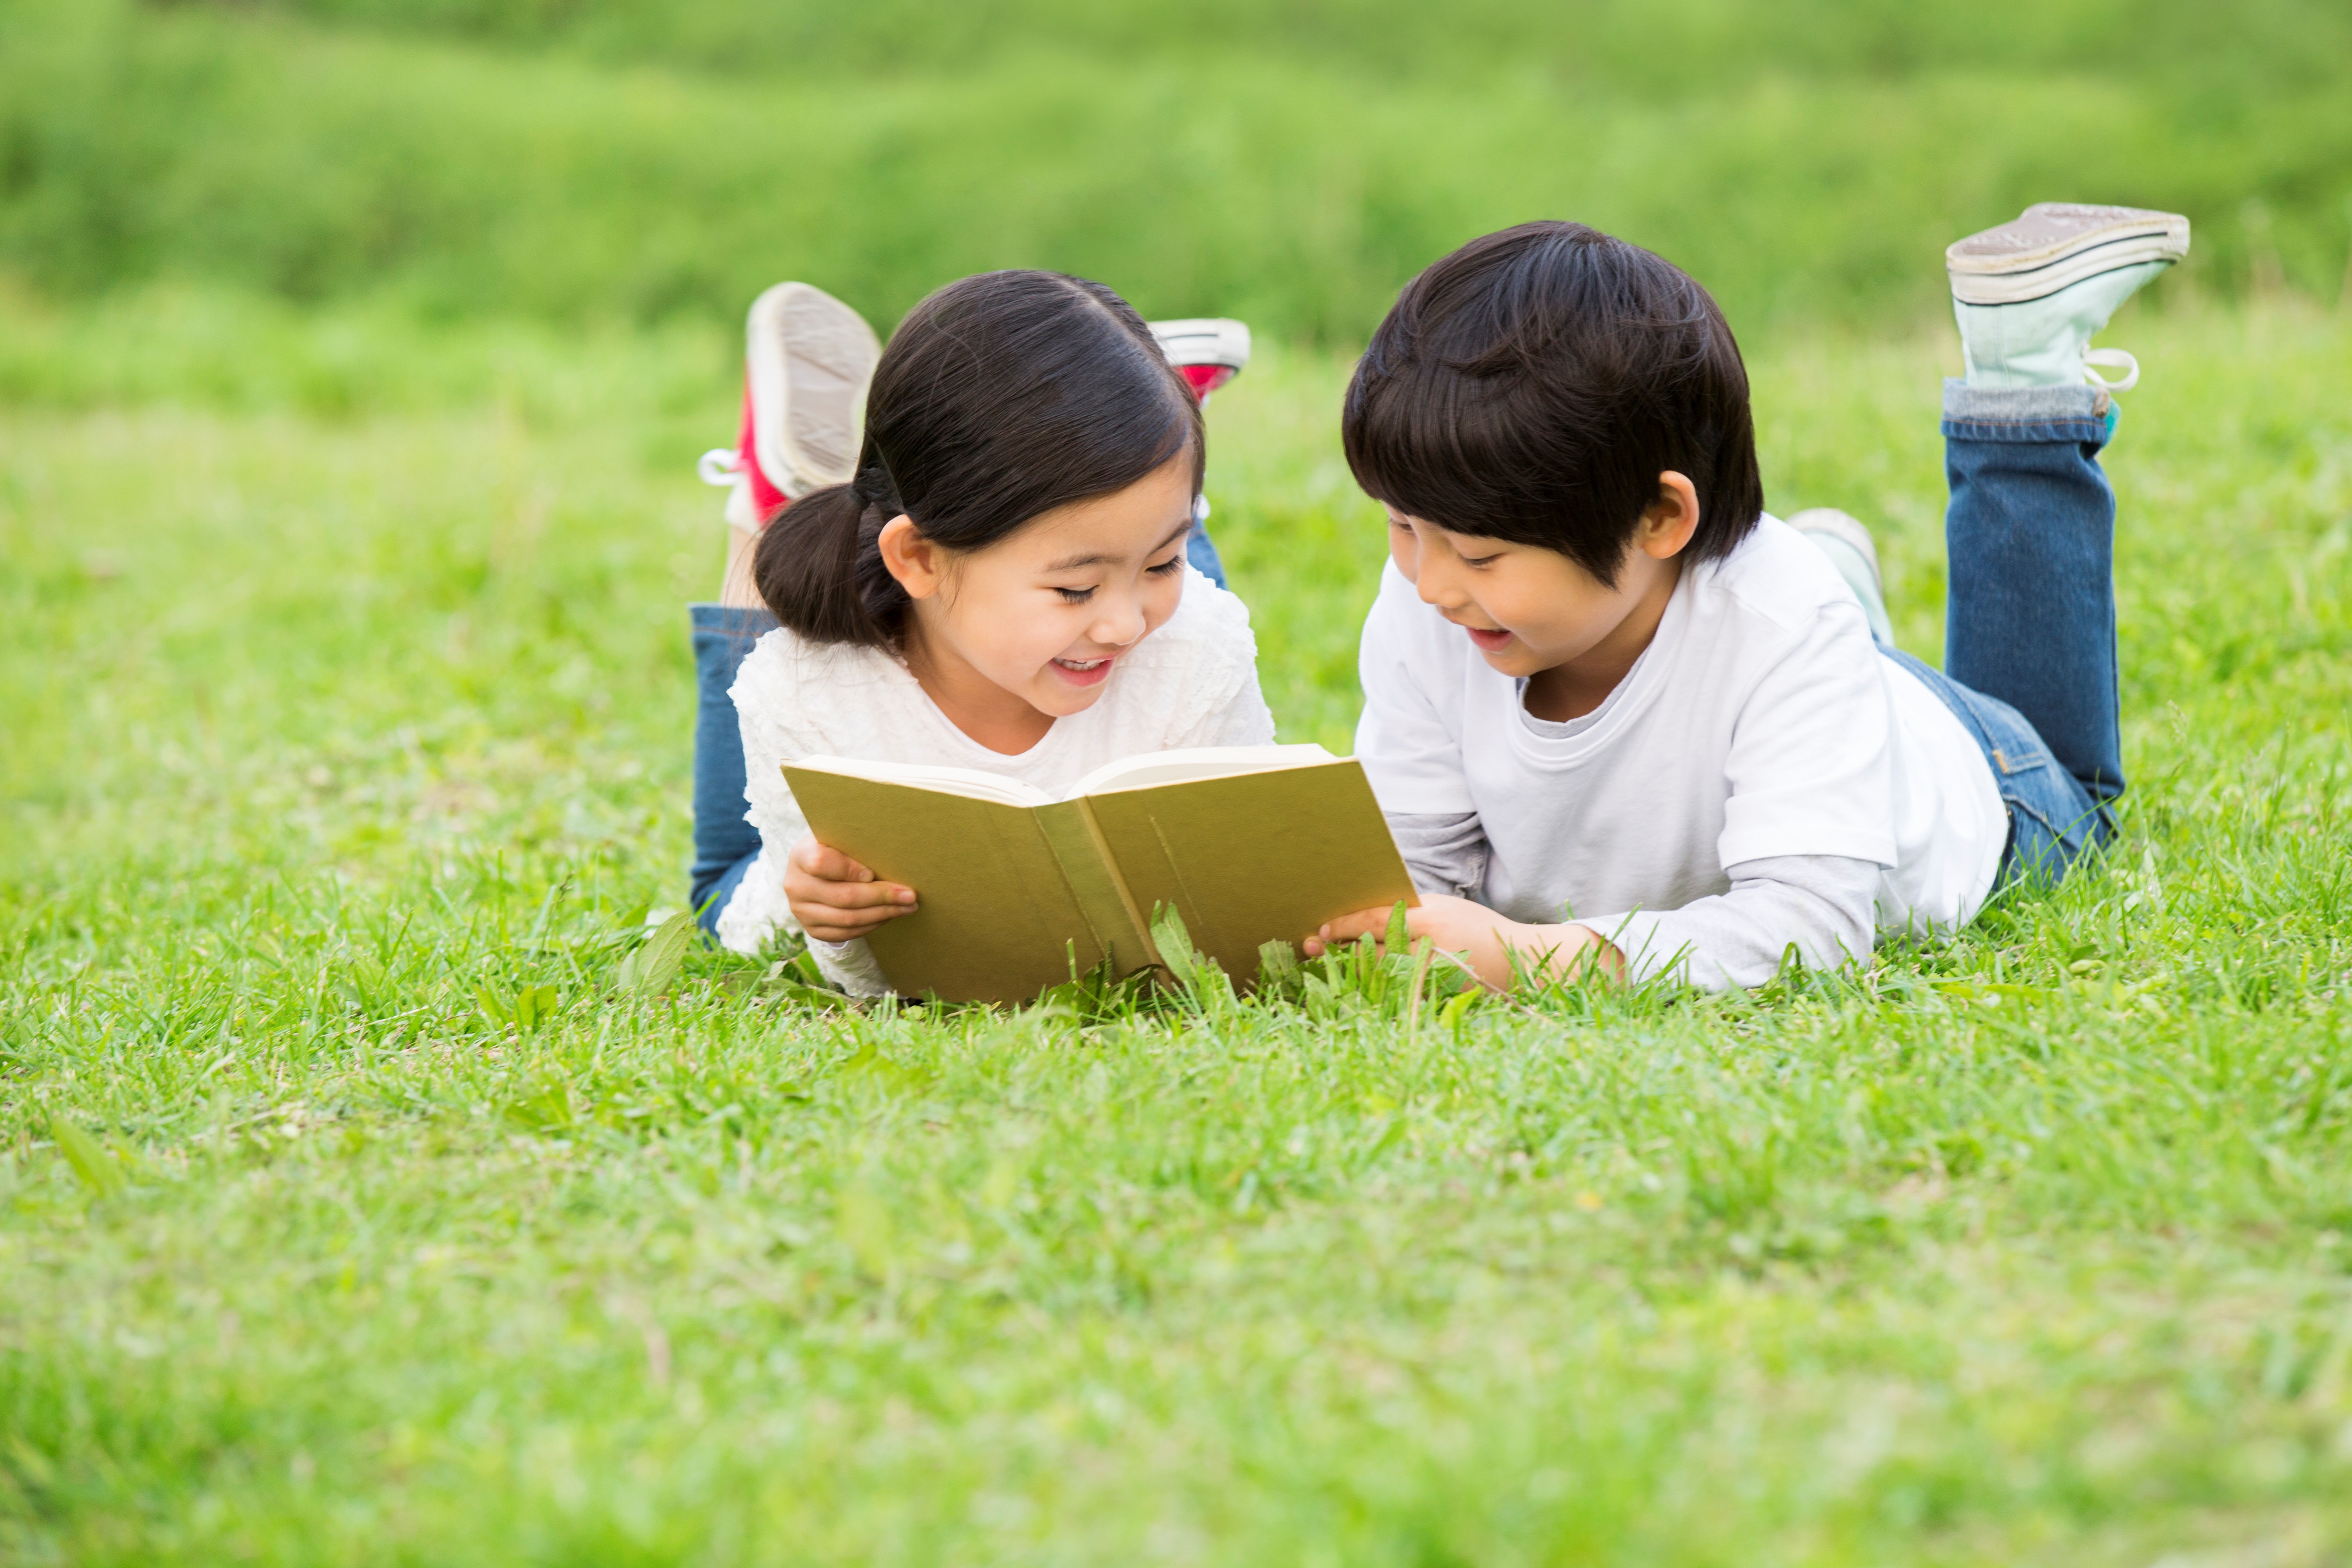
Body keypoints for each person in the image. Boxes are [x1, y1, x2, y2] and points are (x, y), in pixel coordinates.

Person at [1307, 205, 2188, 991]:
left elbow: (1813, 931)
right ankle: (1851, 618)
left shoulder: (1781, 624)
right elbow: (1409, 875)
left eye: (1482, 554)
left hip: (1984, 776)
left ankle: (2022, 378)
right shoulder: (1435, 600)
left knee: (2080, 795)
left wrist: (1537, 960)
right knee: (1789, 636)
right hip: (1791, 672)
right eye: (1401, 527)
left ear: (1659, 517)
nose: (1429, 583)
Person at [684, 270, 1274, 993]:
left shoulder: (1196, 644)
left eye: (1165, 561)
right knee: (718, 896)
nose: (1123, 626)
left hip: (1083, 538)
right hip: (807, 745)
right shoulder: (808, 685)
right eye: (1075, 589)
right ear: (921, 560)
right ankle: (770, 499)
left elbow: (1252, 903)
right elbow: (866, 981)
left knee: (1173, 591)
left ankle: (1138, 421)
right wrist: (827, 913)